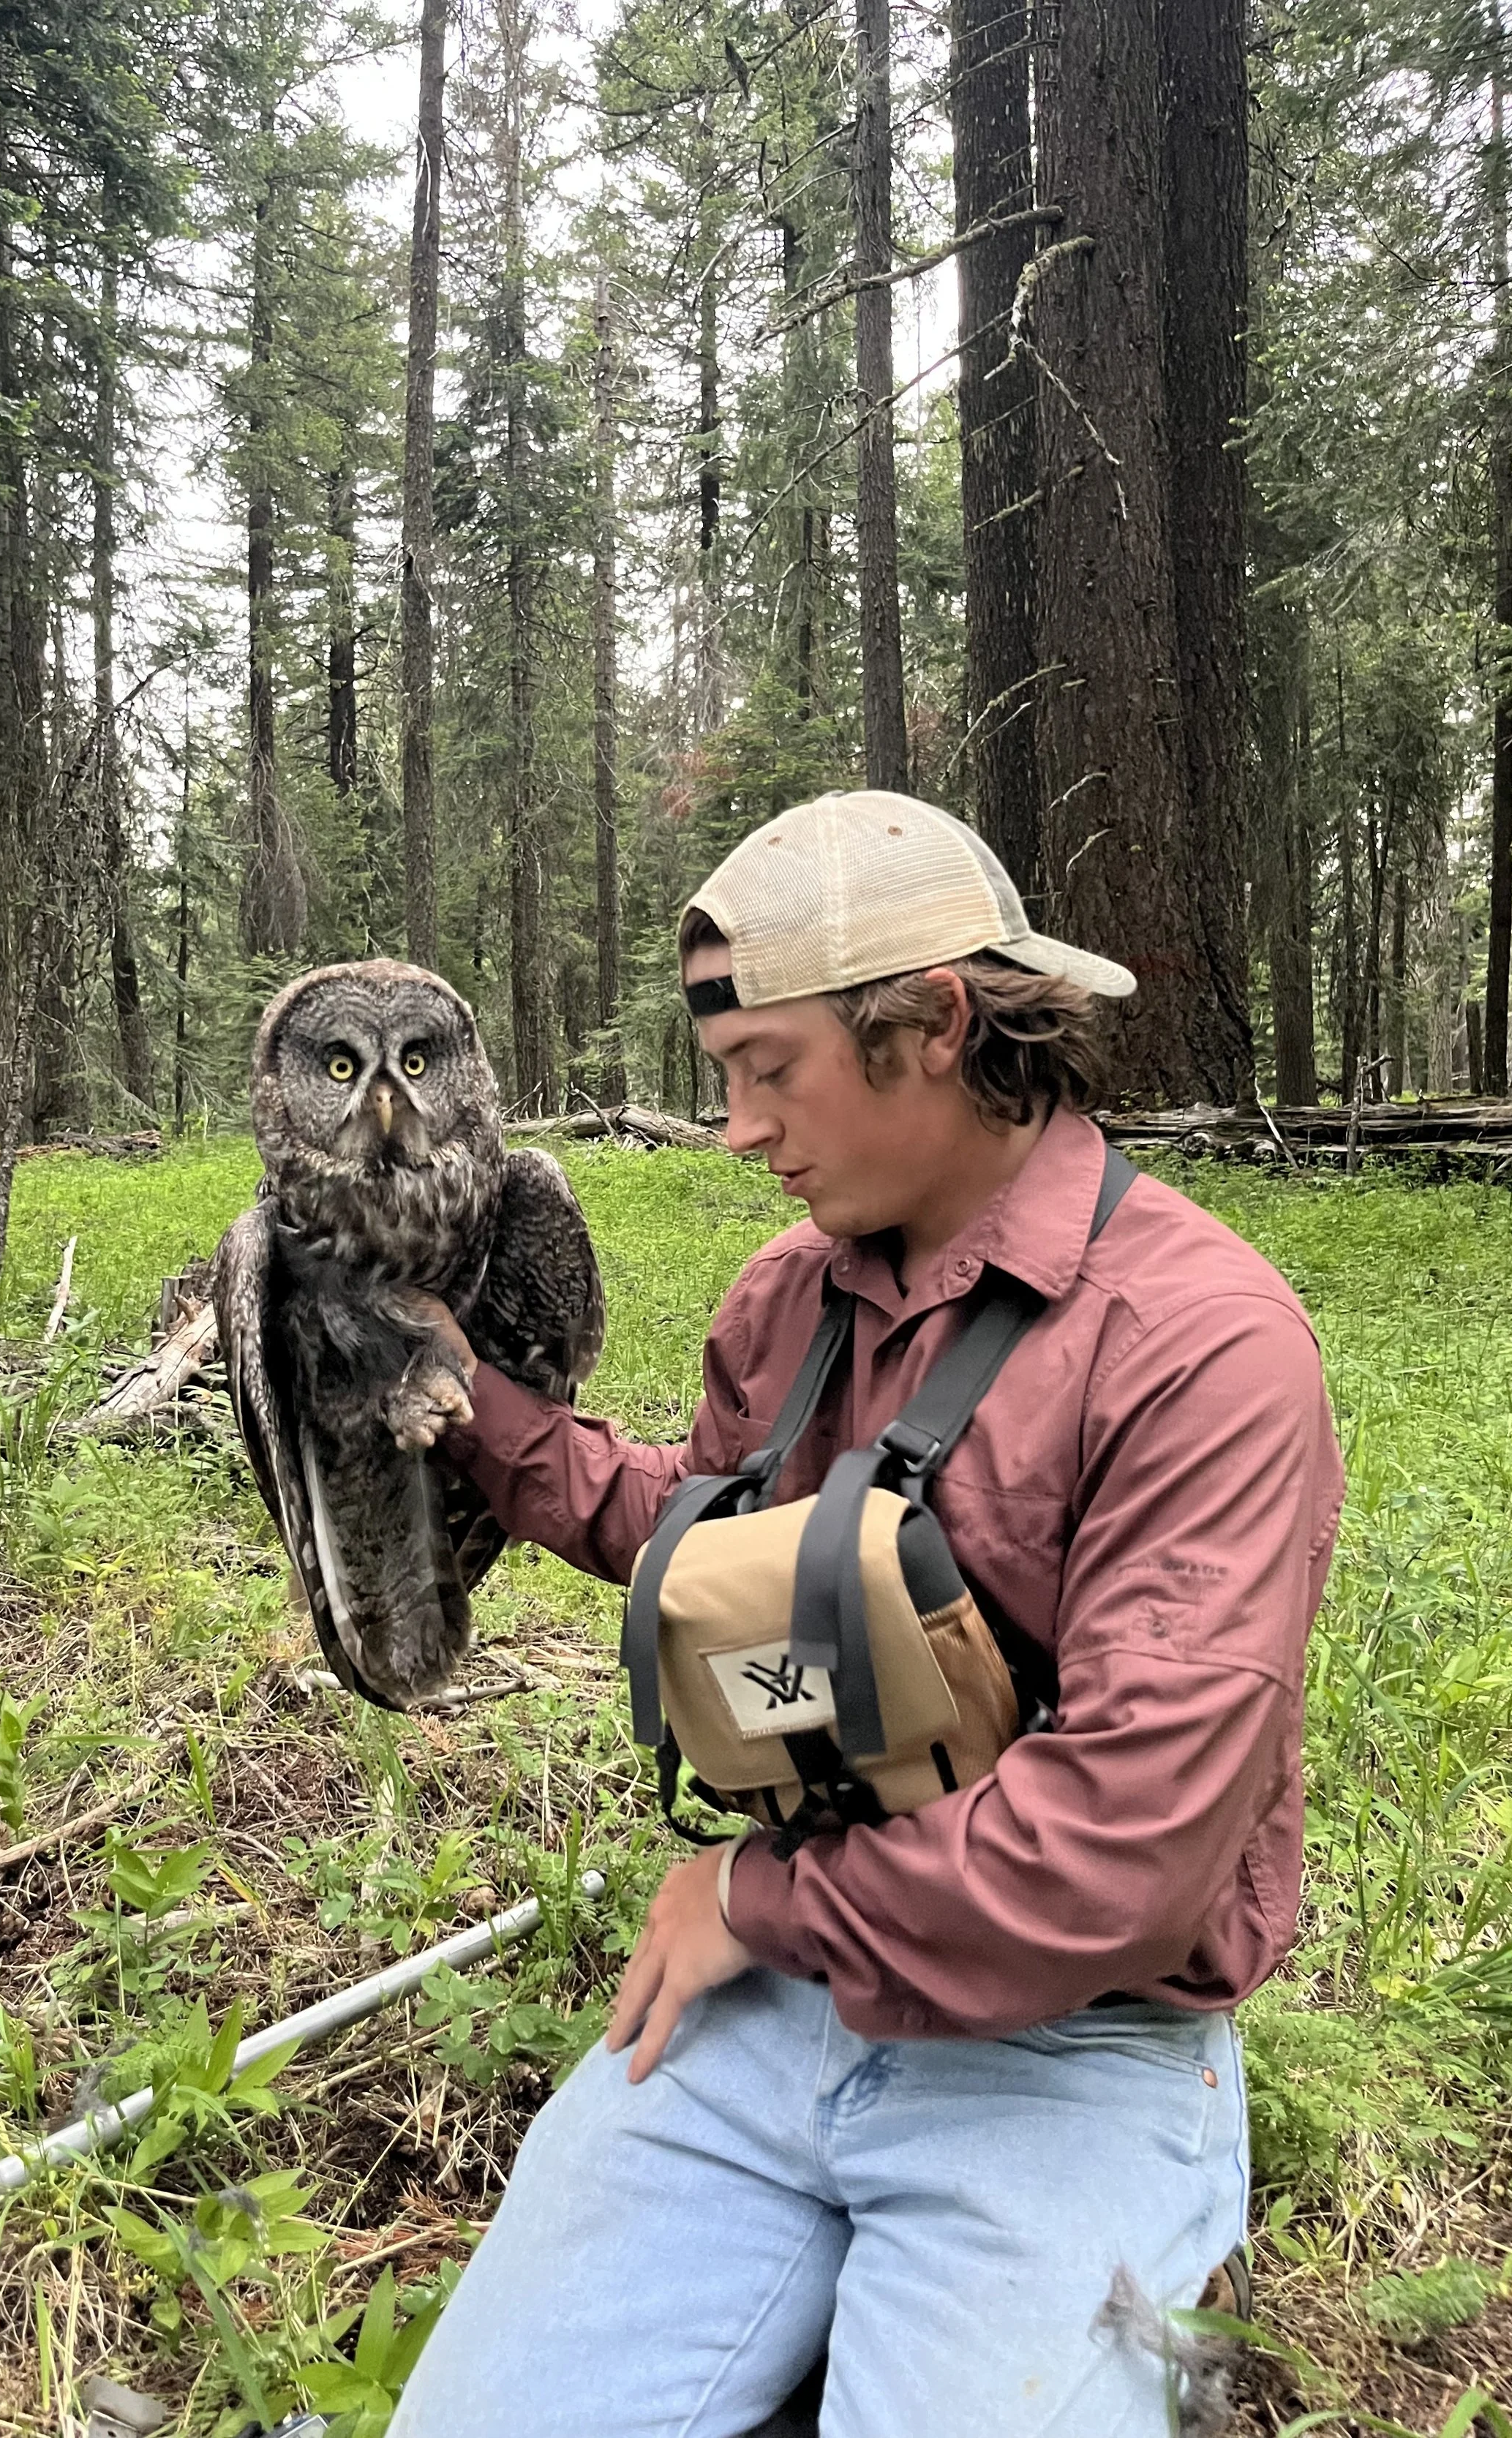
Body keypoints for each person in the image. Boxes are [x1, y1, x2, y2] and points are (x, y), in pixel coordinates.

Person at [389, 791, 1343, 2438]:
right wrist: (466, 1395)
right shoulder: (787, 1299)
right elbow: (703, 1544)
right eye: (722, 1079)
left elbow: (1120, 1848)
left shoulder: (1196, 1346)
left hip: (1074, 2053)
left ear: (933, 1026)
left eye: (769, 1068)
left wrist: (757, 1898)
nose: (737, 1128)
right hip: (770, 2021)